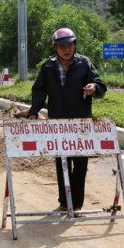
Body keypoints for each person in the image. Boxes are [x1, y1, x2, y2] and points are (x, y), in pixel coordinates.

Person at [27, 27, 107, 216]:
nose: (66, 49)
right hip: (58, 124)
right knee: (62, 162)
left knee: (80, 165)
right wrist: (34, 111)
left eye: (70, 44)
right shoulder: (48, 67)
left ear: (74, 45)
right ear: (55, 48)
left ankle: (76, 205)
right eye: (62, 46)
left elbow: (101, 85)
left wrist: (93, 87)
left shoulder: (84, 63)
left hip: (81, 124)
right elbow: (39, 90)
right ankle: (64, 203)